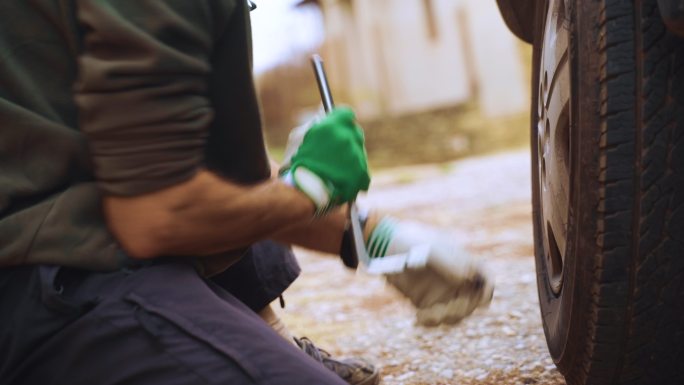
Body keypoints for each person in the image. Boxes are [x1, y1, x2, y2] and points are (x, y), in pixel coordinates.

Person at [0, 1, 492, 384]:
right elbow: (157, 213)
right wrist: (311, 186)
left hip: (66, 237)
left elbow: (179, 160)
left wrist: (376, 238)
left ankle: (258, 333)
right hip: (41, 285)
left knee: (233, 155)